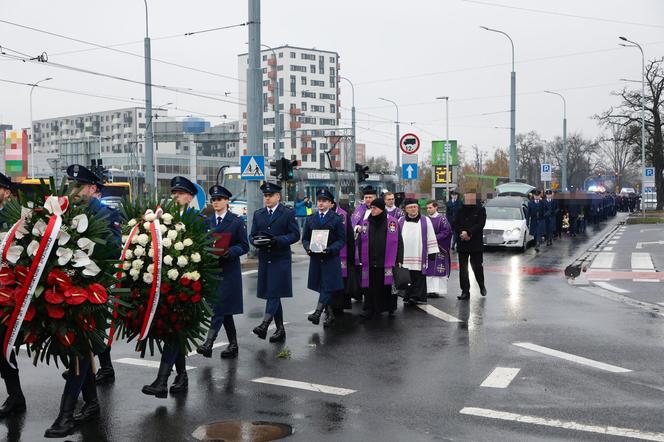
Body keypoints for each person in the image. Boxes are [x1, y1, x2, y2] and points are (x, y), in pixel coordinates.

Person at [44, 165, 122, 437]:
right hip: (65, 290)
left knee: (79, 349)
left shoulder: (106, 213)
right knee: (79, 349)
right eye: (70, 185)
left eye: (79, 186)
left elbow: (114, 250)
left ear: (92, 188)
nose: (73, 191)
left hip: (93, 293)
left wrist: (84, 254)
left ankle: (65, 416)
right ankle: (91, 404)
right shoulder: (65, 212)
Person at [142, 176, 199, 399]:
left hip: (190, 287)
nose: (175, 196)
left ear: (190, 196)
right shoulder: (168, 219)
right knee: (175, 332)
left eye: (180, 192)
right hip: (170, 285)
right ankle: (181, 376)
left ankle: (162, 380)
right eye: (173, 192)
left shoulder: (199, 218)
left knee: (176, 332)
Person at [197, 185, 249, 359]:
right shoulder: (207, 221)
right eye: (213, 200)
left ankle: (209, 342)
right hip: (212, 271)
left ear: (227, 201)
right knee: (224, 309)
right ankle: (233, 344)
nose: (216, 202)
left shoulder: (236, 221)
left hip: (228, 271)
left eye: (219, 199)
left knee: (218, 307)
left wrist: (230, 252)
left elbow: (244, 246)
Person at [249, 182, 300, 342]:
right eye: (265, 196)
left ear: (278, 196)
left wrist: (277, 240)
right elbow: (252, 235)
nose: (267, 198)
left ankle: (264, 325)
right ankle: (280, 329)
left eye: (270, 195)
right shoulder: (258, 214)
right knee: (273, 293)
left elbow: (295, 235)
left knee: (274, 292)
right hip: (265, 259)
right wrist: (255, 242)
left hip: (280, 259)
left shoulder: (287, 213)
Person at [0, 173, 25, 420]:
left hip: (6, 290)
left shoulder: (13, 217)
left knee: (3, 344)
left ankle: (16, 396)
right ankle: (16, 396)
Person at [302, 189, 346, 327]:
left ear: (330, 203)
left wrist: (331, 249)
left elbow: (341, 240)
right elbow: (305, 239)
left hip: (330, 258)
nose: (320, 203)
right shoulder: (311, 219)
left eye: (324, 201)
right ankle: (330, 314)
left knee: (327, 285)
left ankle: (317, 312)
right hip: (316, 258)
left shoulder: (336, 219)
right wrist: (308, 247)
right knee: (322, 286)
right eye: (319, 200)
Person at [356, 198, 403, 318]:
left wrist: (399, 259)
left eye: (374, 208)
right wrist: (361, 257)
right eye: (371, 208)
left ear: (381, 209)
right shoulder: (366, 223)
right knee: (370, 286)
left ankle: (388, 307)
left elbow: (399, 242)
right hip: (370, 261)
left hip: (386, 261)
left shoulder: (392, 222)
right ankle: (370, 308)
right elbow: (361, 241)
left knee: (386, 286)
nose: (372, 210)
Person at [398, 199, 439, 305]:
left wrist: (432, 252)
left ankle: (417, 296)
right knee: (407, 275)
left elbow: (431, 235)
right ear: (406, 209)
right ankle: (407, 296)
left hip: (419, 253)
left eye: (415, 207)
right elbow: (396, 239)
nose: (413, 209)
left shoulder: (425, 220)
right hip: (405, 254)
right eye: (410, 207)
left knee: (418, 275)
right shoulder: (401, 221)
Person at [454, 192, 487, 300]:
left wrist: (468, 233)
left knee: (477, 267)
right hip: (462, 242)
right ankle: (465, 291)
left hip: (475, 243)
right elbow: (455, 223)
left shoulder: (480, 210)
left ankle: (481, 285)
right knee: (463, 269)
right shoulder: (459, 209)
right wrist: (462, 233)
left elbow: (480, 224)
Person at [425, 200, 453, 298]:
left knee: (438, 269)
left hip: (439, 248)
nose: (428, 210)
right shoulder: (425, 219)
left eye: (430, 208)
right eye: (427, 208)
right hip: (428, 248)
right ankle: (428, 290)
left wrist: (433, 239)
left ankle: (437, 290)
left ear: (436, 207)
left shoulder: (442, 219)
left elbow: (447, 232)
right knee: (429, 269)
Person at [331, 200, 355, 311]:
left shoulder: (343, 215)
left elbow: (350, 238)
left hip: (342, 254)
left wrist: (351, 258)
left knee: (342, 281)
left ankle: (340, 305)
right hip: (327, 255)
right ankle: (329, 307)